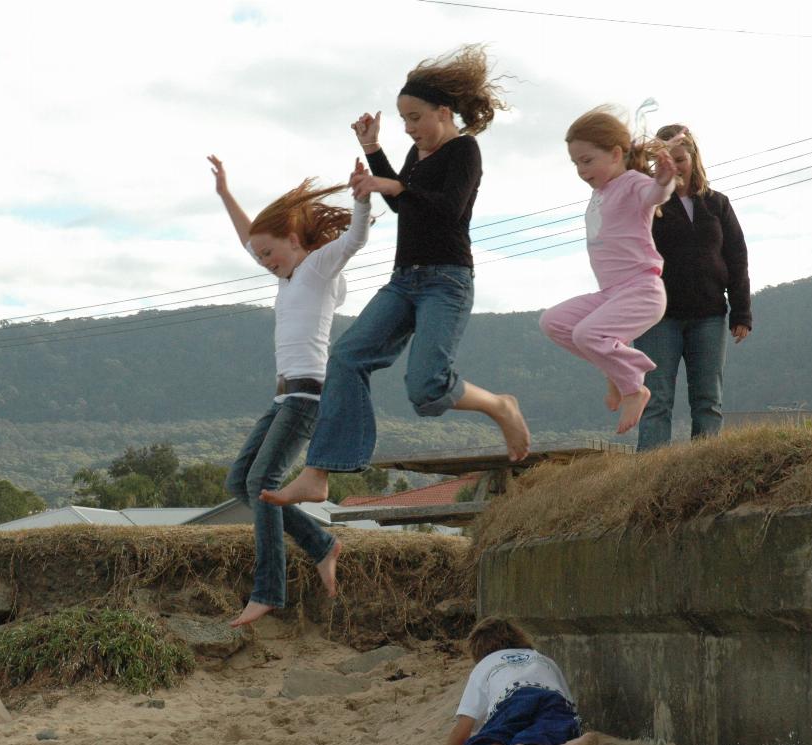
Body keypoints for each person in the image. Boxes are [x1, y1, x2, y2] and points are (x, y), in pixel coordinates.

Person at [261, 44, 530, 509]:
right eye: (403, 120)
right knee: (345, 359)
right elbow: (403, 203)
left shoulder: (465, 150)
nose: (409, 128)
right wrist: (374, 154)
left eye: (415, 118)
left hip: (447, 280)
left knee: (426, 388)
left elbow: (447, 209)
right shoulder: (416, 154)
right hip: (404, 281)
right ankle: (318, 472)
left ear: (443, 112)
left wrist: (396, 183)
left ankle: (500, 405)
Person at [208, 154, 372, 627]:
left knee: (263, 485)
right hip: (283, 397)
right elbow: (249, 237)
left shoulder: (318, 268)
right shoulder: (286, 276)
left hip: (308, 396)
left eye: (268, 253)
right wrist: (225, 194)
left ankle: (268, 590)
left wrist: (361, 200)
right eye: (259, 257)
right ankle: (321, 543)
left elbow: (356, 238)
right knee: (240, 483)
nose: (263, 261)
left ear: (295, 242)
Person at [538, 107, 680, 435]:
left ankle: (634, 387)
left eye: (587, 161)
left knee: (587, 335)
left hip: (642, 291)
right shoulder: (598, 194)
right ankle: (615, 371)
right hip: (611, 293)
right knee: (553, 322)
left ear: (616, 154)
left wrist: (665, 180)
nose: (580, 170)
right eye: (575, 163)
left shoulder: (631, 182)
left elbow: (654, 195)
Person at [635, 124, 752, 450]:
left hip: (709, 316)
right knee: (655, 401)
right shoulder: (646, 205)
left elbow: (737, 257)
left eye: (680, 158)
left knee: (708, 401)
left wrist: (741, 311)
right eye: (663, 159)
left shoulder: (718, 204)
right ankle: (647, 479)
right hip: (657, 318)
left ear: (693, 159)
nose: (673, 165)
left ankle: (703, 474)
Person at [439, 616, 597, 745]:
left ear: (478, 651)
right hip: (553, 699)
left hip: (511, 700)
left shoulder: (484, 665)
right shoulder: (543, 659)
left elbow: (462, 730)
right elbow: (569, 704)